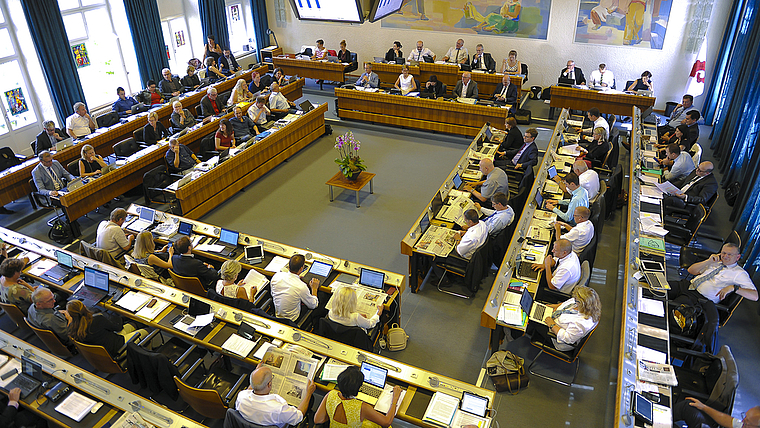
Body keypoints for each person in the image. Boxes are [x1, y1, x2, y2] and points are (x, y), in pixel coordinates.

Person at [668, 243, 758, 354]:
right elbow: (691, 270)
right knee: (658, 288)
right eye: (724, 253)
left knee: (671, 310)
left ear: (737, 257)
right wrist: (708, 261)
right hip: (688, 286)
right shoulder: (715, 262)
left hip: (699, 298)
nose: (725, 256)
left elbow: (755, 296)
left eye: (729, 254)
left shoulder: (739, 274)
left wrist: (734, 288)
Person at [315, 366, 402, 428]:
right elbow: (386, 422)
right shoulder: (362, 407)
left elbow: (317, 420)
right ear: (359, 388)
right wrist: (395, 399)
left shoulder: (331, 394)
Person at [236, 365, 316, 428]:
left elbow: (249, 390)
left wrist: (256, 373)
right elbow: (299, 416)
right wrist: (308, 393)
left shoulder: (241, 397)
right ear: (269, 384)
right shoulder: (279, 409)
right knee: (310, 399)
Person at [66, 300, 150, 358]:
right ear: (84, 307)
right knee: (148, 331)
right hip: (119, 348)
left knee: (133, 325)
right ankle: (150, 356)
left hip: (103, 353)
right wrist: (106, 315)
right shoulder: (97, 319)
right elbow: (118, 327)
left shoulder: (71, 329)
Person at [538, 286, 601, 351]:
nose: (574, 300)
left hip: (555, 335)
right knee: (536, 308)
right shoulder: (580, 302)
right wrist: (555, 306)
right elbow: (566, 304)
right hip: (552, 317)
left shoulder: (581, 323)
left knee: (530, 321)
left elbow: (567, 338)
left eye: (576, 300)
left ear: (583, 304)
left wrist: (552, 325)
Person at [270, 254, 319, 323]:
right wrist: (314, 289)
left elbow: (273, 294)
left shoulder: (277, 276)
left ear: (289, 266)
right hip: (292, 320)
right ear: (301, 269)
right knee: (321, 298)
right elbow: (313, 305)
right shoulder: (301, 286)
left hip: (277, 314)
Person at [674, 397, 759, 428]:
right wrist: (703, 407)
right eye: (745, 417)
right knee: (688, 406)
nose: (743, 421)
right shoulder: (743, 425)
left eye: (748, 422)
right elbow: (728, 420)